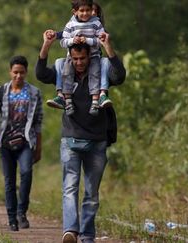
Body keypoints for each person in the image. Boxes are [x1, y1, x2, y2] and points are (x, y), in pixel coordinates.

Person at [36, 30, 125, 243]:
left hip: (97, 140)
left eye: (82, 58)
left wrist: (107, 47)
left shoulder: (100, 71)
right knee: (69, 187)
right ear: (70, 57)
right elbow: (41, 74)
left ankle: (87, 235)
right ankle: (70, 231)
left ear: (89, 56)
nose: (79, 63)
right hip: (70, 139)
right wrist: (46, 45)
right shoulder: (63, 71)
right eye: (75, 59)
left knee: (92, 193)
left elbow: (119, 76)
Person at [0, 56, 43, 231]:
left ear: (26, 73)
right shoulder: (1, 91)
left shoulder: (34, 93)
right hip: (5, 142)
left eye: (22, 72)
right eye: (15, 72)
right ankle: (12, 219)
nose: (18, 76)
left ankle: (21, 212)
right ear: (10, 72)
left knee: (26, 173)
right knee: (9, 181)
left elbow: (38, 121)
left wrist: (38, 147)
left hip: (25, 141)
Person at [49, 1, 112, 110]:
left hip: (93, 56)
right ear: (75, 12)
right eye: (82, 11)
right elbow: (63, 41)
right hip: (72, 57)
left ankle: (96, 100)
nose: (85, 13)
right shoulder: (70, 24)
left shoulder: (96, 24)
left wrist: (87, 40)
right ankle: (65, 98)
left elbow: (101, 41)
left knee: (95, 73)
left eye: (88, 10)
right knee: (67, 72)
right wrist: (72, 40)